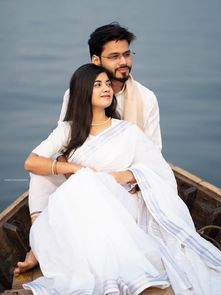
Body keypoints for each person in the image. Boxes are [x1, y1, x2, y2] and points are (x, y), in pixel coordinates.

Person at [21, 64, 221, 295]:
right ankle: (42, 242)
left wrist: (128, 175)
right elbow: (31, 162)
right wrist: (77, 169)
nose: (106, 89)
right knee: (60, 177)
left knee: (85, 184)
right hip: (82, 207)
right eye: (97, 84)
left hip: (122, 203)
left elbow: (159, 170)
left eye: (107, 83)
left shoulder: (127, 131)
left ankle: (112, 268)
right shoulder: (68, 130)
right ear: (83, 91)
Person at [14, 22, 163, 277]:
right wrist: (78, 173)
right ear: (96, 59)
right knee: (40, 175)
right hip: (82, 173)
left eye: (127, 54)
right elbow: (65, 142)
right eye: (114, 56)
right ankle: (38, 244)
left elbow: (153, 155)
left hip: (123, 180)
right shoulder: (76, 94)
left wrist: (122, 178)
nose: (123, 61)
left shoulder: (146, 98)